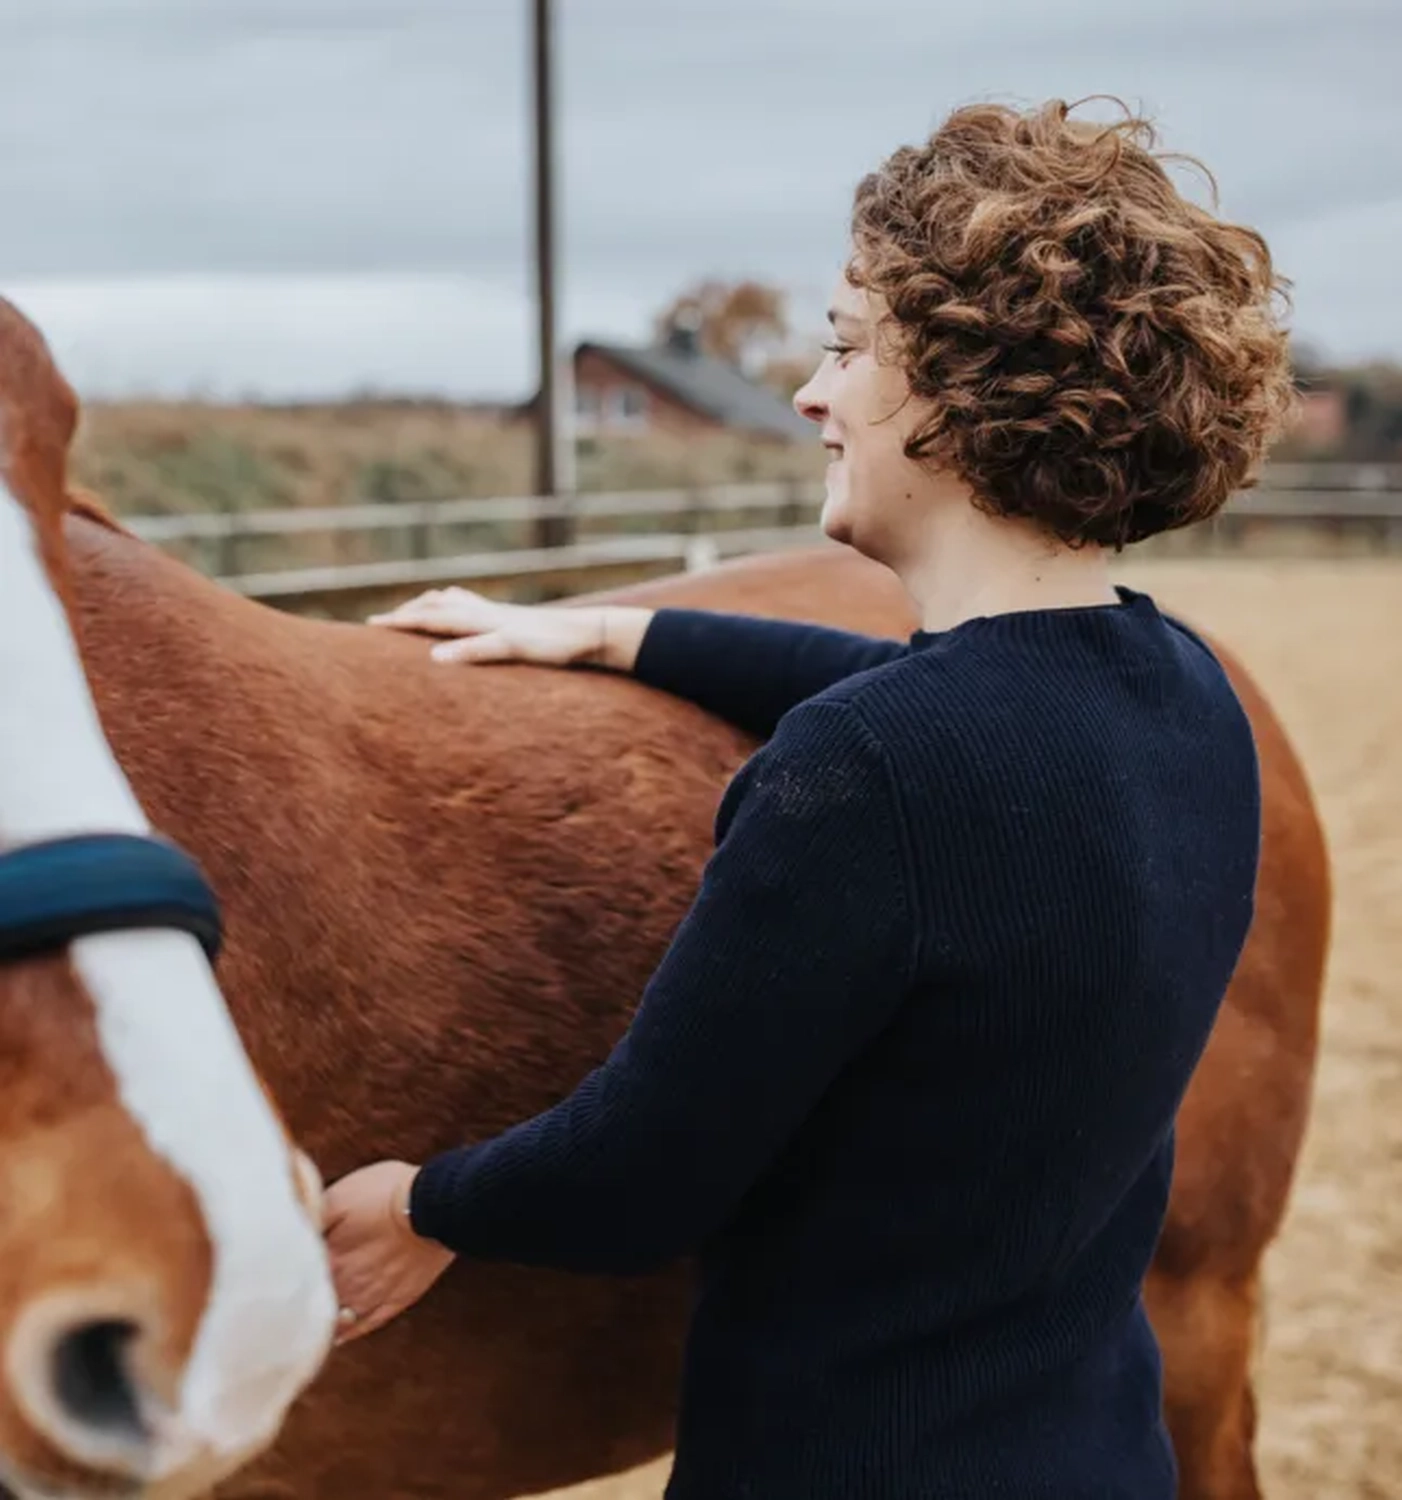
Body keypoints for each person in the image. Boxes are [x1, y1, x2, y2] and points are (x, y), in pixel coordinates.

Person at [322, 96, 1294, 1498]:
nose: (809, 394)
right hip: (1089, 1452)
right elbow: (925, 703)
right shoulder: (1182, 693)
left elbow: (641, 1174)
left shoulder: (865, 775)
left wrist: (420, 1200)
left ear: (960, 389)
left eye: (846, 348)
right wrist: (617, 633)